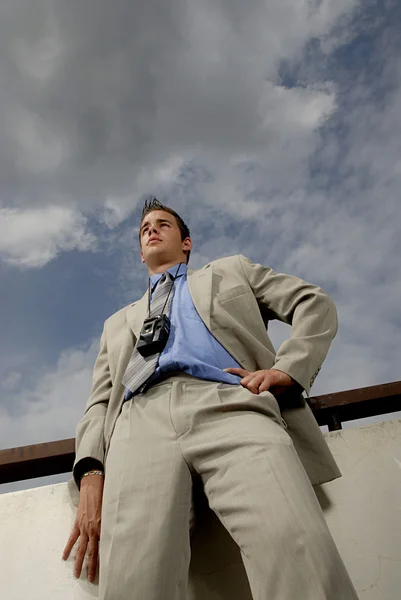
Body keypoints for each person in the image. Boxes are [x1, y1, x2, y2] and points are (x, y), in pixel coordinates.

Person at [62, 197, 359, 599]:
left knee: (295, 542)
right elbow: (99, 401)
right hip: (137, 424)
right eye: (145, 227)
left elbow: (313, 302)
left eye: (162, 224)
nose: (151, 229)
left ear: (186, 242)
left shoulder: (231, 271)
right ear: (139, 251)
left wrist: (289, 369)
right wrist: (92, 472)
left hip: (230, 400)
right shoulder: (117, 323)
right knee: (135, 577)